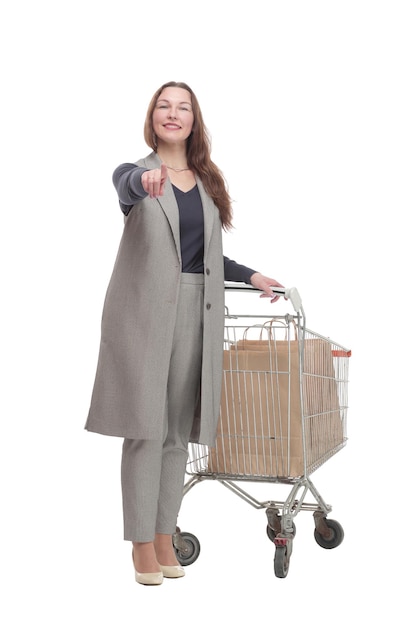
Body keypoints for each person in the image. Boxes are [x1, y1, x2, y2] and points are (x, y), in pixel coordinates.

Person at [85, 81, 285, 586]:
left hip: (200, 308)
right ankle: (139, 544)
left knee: (177, 433)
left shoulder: (207, 179)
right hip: (147, 313)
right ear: (152, 116)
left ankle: (161, 535)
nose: (172, 114)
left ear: (194, 121)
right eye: (163, 106)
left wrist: (252, 274)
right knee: (144, 428)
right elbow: (128, 187)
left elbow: (208, 254)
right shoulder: (135, 173)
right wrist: (143, 183)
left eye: (183, 108)